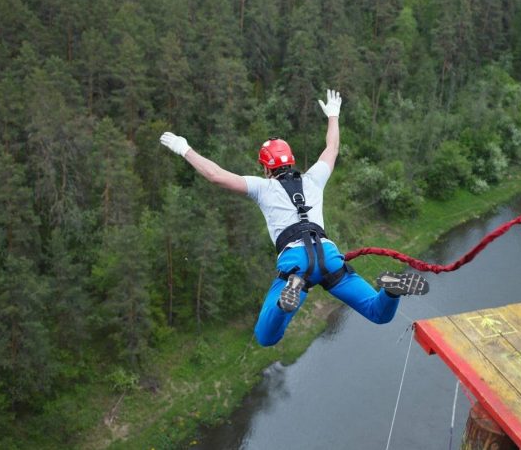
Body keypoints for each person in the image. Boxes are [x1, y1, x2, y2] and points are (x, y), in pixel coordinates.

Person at [160, 89, 429, 346]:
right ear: (291, 160)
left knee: (267, 336)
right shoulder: (313, 179)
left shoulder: (262, 187)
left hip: (295, 263)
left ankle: (284, 299)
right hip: (328, 256)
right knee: (378, 313)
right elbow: (332, 148)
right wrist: (333, 116)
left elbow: (215, 175)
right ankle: (392, 289)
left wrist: (185, 149)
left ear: (266, 168)